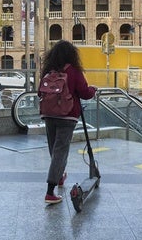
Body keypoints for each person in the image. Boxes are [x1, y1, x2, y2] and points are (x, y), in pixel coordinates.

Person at [38, 40, 97, 204]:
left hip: (48, 114)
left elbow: (39, 92)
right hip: (67, 115)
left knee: (54, 148)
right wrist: (94, 89)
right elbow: (84, 93)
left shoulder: (49, 70)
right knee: (61, 151)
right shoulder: (74, 71)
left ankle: (60, 176)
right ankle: (50, 191)